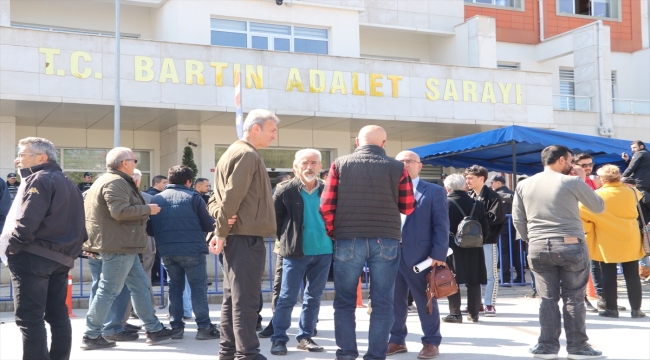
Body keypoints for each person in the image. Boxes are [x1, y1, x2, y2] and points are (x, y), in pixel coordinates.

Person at [320, 125, 416, 360]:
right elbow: (408, 206)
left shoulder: (339, 164)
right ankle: (375, 355)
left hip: (347, 238)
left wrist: (334, 232)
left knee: (344, 302)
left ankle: (346, 354)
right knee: (383, 302)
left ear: (357, 141)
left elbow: (326, 205)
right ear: (384, 144)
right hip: (386, 237)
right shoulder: (398, 167)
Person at [82, 147, 181, 350]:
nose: (136, 163)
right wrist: (148, 209)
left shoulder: (108, 181)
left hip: (122, 244)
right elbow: (119, 212)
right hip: (118, 245)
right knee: (108, 289)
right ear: (124, 163)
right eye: (134, 160)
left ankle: (153, 329)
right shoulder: (115, 182)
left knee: (140, 286)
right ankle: (91, 335)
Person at [513, 145, 605, 359]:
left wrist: (532, 238)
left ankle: (547, 346)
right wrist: (582, 180)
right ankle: (578, 347)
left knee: (547, 299)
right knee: (574, 298)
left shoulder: (524, 184)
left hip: (538, 244)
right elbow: (598, 206)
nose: (573, 165)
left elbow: (518, 218)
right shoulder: (572, 182)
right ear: (562, 160)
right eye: (571, 160)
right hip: (571, 243)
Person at [0, 137, 86, 360]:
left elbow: (28, 220)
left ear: (42, 157)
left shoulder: (39, 179)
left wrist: (13, 247)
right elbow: (80, 224)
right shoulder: (68, 182)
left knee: (30, 318)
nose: (17, 159)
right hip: (60, 258)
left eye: (22, 154)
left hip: (33, 255)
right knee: (58, 316)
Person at [207, 109, 279, 360]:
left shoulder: (233, 152)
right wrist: (222, 230)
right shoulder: (247, 154)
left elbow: (217, 199)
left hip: (239, 235)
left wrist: (221, 229)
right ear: (255, 128)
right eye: (272, 130)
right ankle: (247, 353)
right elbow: (231, 196)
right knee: (246, 299)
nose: (275, 135)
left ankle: (229, 351)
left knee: (233, 297)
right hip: (245, 236)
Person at [387, 150, 449, 359]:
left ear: (419, 166)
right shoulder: (387, 190)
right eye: (401, 161)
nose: (405, 164)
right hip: (390, 254)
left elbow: (441, 225)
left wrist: (438, 254)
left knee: (426, 300)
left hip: (421, 257)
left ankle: (431, 341)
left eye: (410, 161)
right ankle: (396, 340)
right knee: (394, 301)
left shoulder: (433, 191)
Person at [269, 149, 331, 355]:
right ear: (296, 167)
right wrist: (288, 241)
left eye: (314, 163)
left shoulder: (329, 189)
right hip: (295, 253)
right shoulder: (285, 190)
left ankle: (305, 337)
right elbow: (275, 222)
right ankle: (279, 339)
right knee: (287, 297)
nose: (309, 167)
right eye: (305, 163)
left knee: (313, 297)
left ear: (320, 167)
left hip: (324, 251)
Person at [148, 165, 220, 340]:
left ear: (169, 179)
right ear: (189, 182)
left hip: (167, 251)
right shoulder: (194, 197)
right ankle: (204, 327)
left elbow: (150, 229)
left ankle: (176, 327)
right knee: (198, 289)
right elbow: (209, 225)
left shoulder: (157, 198)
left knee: (175, 288)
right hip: (192, 250)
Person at [579, 165, 646, 319]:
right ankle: (636, 310)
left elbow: (583, 214)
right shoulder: (632, 192)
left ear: (602, 178)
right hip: (630, 236)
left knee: (608, 274)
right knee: (632, 274)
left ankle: (611, 309)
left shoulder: (597, 195)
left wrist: (591, 228)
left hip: (605, 237)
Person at [441, 173, 489, 324]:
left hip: (451, 246)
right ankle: (474, 314)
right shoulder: (477, 204)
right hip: (474, 246)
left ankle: (455, 314)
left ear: (447, 188)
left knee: (452, 279)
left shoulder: (444, 203)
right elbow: (486, 229)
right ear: (464, 186)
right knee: (474, 280)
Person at [572, 153, 617, 313]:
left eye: (590, 164)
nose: (588, 167)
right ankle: (582, 299)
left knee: (598, 266)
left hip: (593, 229)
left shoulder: (591, 181)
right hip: (576, 228)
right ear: (574, 165)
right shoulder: (571, 181)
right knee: (580, 267)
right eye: (584, 165)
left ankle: (603, 300)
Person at [465, 165, 505, 317]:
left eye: (470, 178)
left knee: (490, 274)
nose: (467, 181)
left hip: (488, 240)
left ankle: (489, 303)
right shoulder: (469, 195)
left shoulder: (492, 196)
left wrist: (474, 221)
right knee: (473, 274)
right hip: (470, 241)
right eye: (467, 178)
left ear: (481, 178)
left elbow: (496, 218)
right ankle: (476, 304)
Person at [490, 174, 523, 285]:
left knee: (504, 252)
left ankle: (505, 277)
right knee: (515, 252)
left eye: (492, 182)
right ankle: (520, 276)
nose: (491, 185)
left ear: (498, 183)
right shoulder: (514, 194)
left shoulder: (495, 195)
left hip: (503, 228)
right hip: (515, 227)